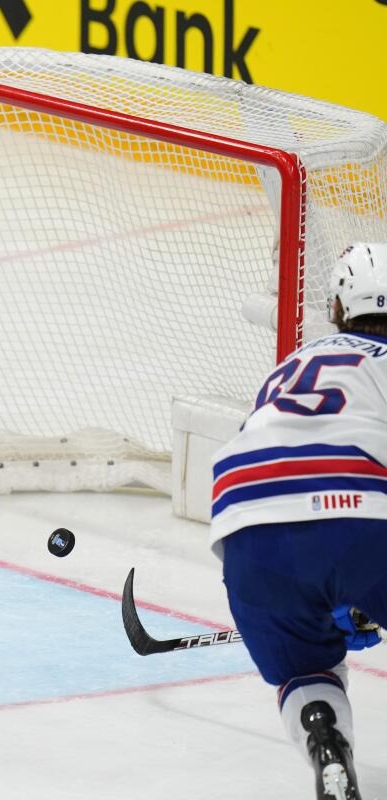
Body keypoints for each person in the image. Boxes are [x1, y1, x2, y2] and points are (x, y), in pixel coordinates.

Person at [210, 243, 387, 800]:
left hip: (247, 532)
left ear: (337, 307)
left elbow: (258, 474)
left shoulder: (288, 369)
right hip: (359, 521)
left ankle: (327, 746)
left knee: (309, 672)